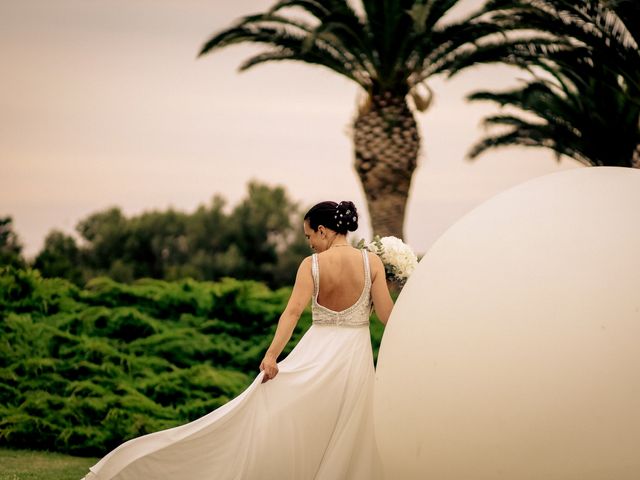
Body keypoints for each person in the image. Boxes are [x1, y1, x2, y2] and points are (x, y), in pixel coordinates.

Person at [82, 200, 393, 480]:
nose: (309, 243)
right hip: (354, 358)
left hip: (315, 354)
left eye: (309, 236)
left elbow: (292, 313)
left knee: (299, 422)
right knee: (349, 430)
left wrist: (272, 356)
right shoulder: (372, 264)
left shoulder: (311, 266)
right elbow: (387, 317)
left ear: (324, 231)